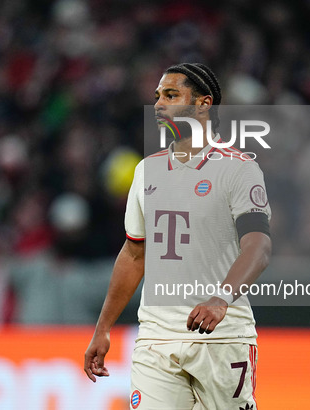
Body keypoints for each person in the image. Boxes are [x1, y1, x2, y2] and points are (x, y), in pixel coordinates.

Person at [84, 63, 272, 410]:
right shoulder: (146, 171)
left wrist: (221, 298)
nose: (158, 104)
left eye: (171, 95)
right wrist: (103, 328)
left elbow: (258, 246)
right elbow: (133, 254)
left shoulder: (239, 168)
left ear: (203, 104)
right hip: (157, 338)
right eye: (157, 96)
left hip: (222, 337)